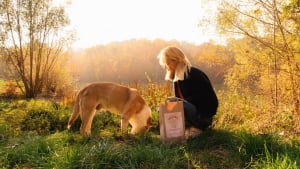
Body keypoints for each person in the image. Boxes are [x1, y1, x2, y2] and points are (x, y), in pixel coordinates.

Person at [157, 46, 218, 137]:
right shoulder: (177, 78)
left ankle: (197, 127)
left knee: (174, 102)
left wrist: (180, 101)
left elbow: (210, 101)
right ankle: (180, 130)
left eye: (168, 63)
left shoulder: (193, 74)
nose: (166, 67)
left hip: (203, 116)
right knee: (162, 108)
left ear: (176, 60)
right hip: (190, 113)